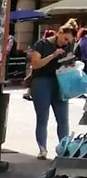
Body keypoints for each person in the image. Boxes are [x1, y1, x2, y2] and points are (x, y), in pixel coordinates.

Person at [29, 20, 77, 159]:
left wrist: (70, 63)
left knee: (63, 118)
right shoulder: (41, 44)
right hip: (42, 82)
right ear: (60, 33)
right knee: (42, 118)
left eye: (69, 41)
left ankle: (65, 149)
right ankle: (42, 150)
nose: (66, 43)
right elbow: (36, 64)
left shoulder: (68, 47)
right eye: (65, 39)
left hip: (60, 83)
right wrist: (53, 55)